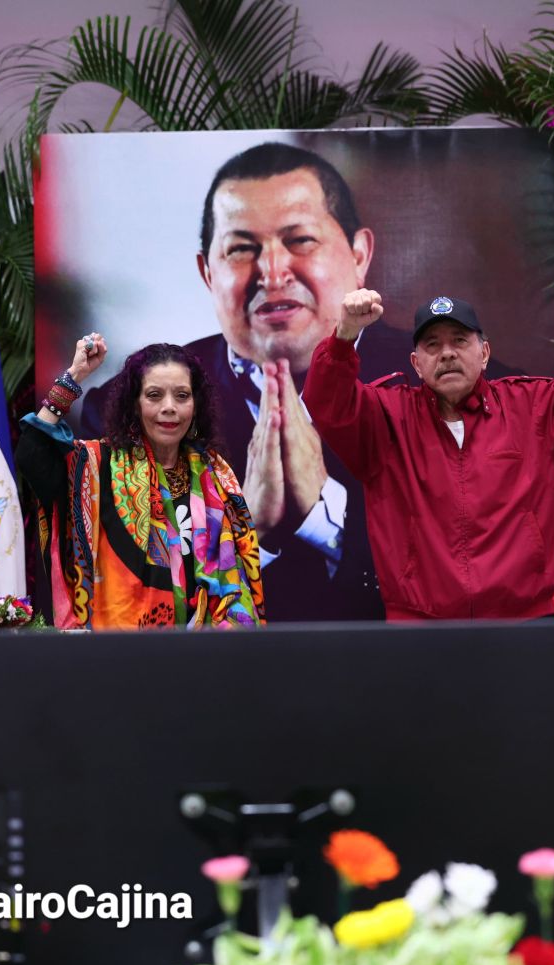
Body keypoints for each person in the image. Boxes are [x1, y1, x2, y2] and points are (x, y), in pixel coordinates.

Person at [83, 143, 467, 621]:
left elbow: (467, 550)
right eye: (242, 249)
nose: (272, 272)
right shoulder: (128, 405)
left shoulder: (441, 381)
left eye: (300, 240)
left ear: (359, 253)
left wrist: (329, 518)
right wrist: (250, 536)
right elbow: (133, 578)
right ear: (208, 273)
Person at [303, 285, 554, 621]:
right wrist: (345, 335)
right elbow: (327, 401)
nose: (447, 353)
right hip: (419, 630)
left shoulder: (536, 408)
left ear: (484, 353)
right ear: (416, 364)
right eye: (432, 345)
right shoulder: (386, 419)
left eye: (459, 341)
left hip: (524, 624)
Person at [17, 336, 263, 628]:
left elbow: (237, 582)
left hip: (205, 661)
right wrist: (74, 376)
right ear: (134, 405)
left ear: (196, 406)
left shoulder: (217, 477)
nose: (169, 407)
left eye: (182, 396)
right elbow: (32, 457)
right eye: (154, 395)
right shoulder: (98, 467)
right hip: (117, 660)